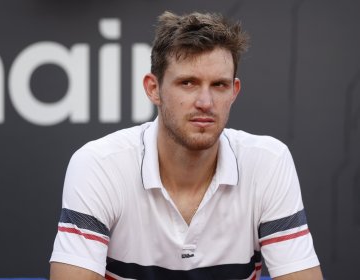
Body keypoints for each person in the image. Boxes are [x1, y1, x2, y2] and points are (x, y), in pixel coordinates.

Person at [50, 11, 323, 280]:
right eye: (188, 83)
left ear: (234, 92)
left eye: (219, 85)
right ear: (153, 89)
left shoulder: (268, 161)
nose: (205, 102)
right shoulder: (99, 164)